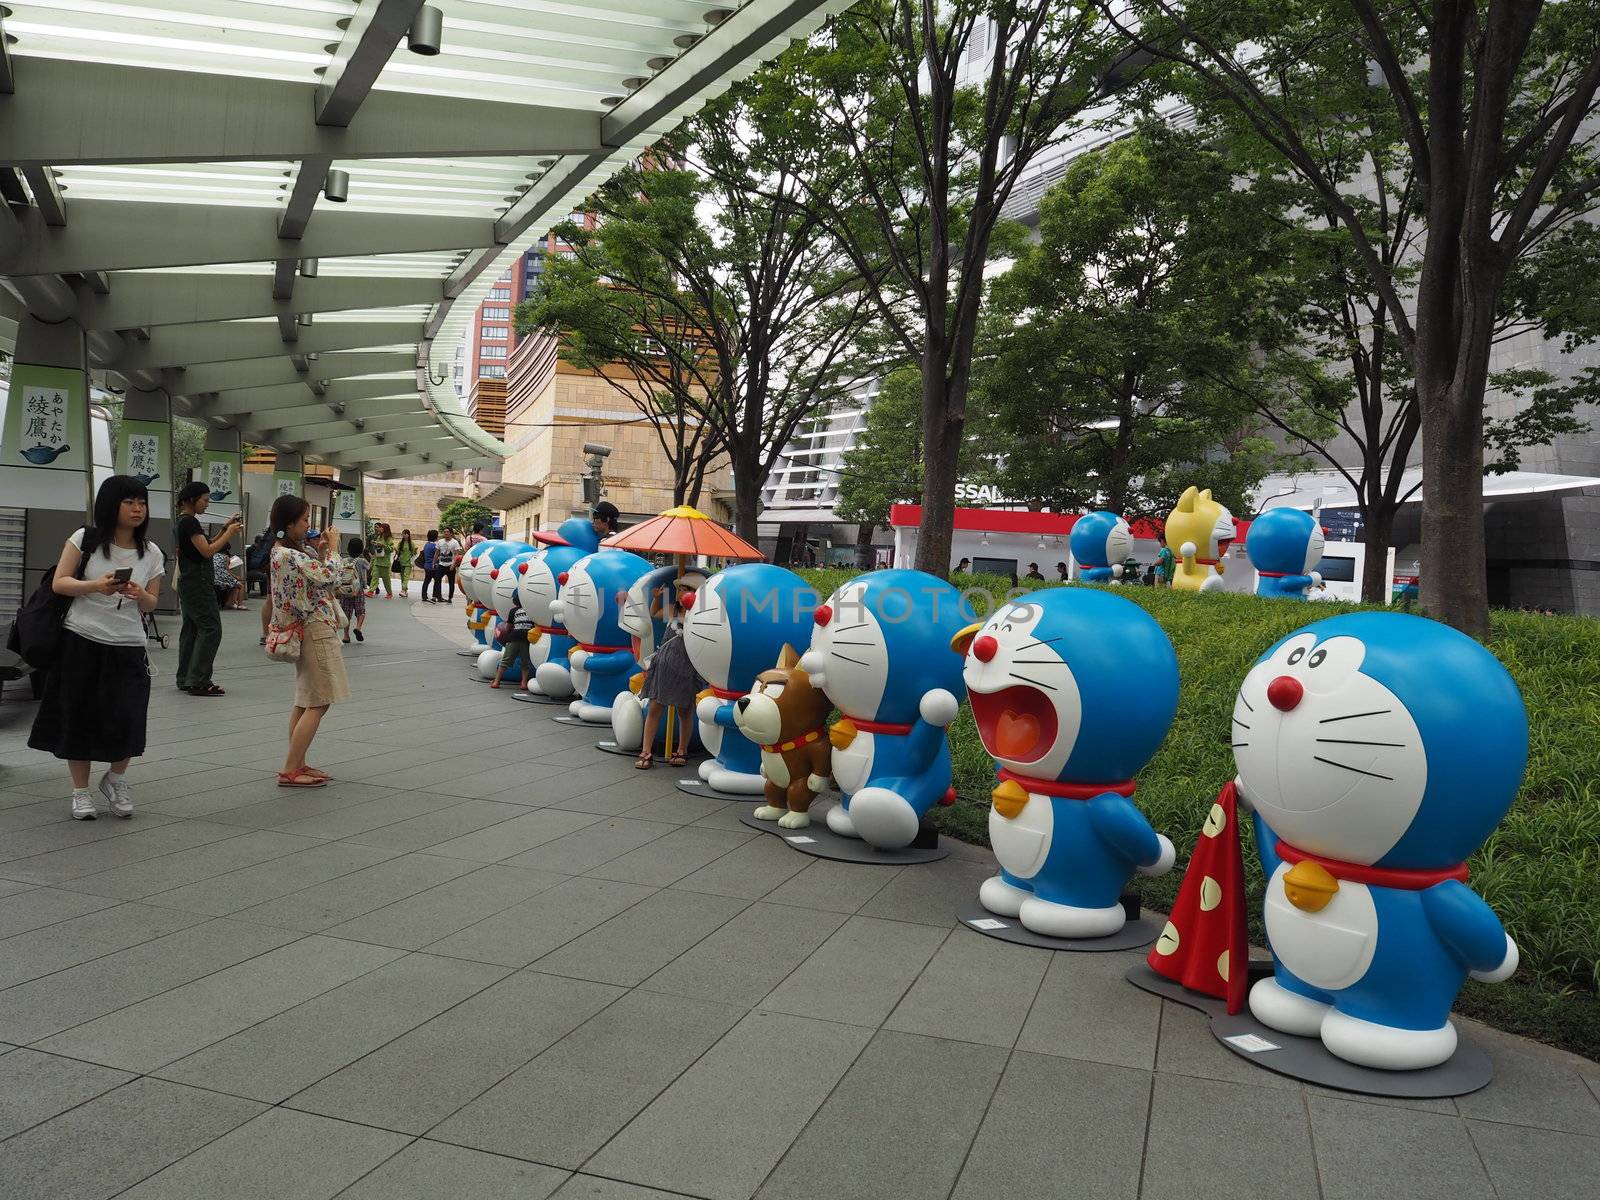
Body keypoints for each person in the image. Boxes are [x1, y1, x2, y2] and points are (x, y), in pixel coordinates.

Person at [29, 475, 165, 820]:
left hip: (129, 645)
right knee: (79, 717)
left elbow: (151, 604)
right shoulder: (84, 539)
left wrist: (140, 594)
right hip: (81, 640)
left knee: (129, 718)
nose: (138, 509)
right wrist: (96, 586)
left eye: (142, 502)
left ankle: (116, 779)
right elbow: (61, 583)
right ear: (110, 505)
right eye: (129, 502)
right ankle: (80, 792)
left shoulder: (151, 552)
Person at [269, 494, 350, 788]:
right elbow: (332, 579)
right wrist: (334, 551)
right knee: (319, 701)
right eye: (304, 520)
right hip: (315, 628)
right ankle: (291, 769)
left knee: (305, 701)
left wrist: (321, 551)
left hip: (303, 628)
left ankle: (297, 761)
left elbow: (312, 580)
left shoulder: (280, 552)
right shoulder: (292, 555)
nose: (308, 525)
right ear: (289, 524)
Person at [174, 480, 241, 697]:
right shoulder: (190, 523)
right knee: (211, 628)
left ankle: (186, 677)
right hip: (199, 583)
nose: (207, 504)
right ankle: (200, 680)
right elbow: (207, 551)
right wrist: (230, 534)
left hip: (189, 582)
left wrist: (223, 529)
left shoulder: (183, 522)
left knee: (192, 629)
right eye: (205, 500)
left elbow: (205, 544)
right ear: (192, 500)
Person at [636, 617, 700, 769]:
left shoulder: (698, 614)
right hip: (664, 668)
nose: (682, 594)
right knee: (654, 708)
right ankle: (646, 751)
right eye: (680, 590)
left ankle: (682, 750)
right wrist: (657, 598)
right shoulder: (673, 610)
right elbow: (654, 612)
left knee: (684, 711)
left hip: (686, 669)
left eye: (686, 590)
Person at [489, 597, 535, 690]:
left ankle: (496, 681)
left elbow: (507, 627)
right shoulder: (531, 611)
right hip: (526, 639)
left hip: (514, 638)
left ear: (515, 602)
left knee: (505, 660)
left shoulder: (513, 611)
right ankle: (524, 683)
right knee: (525, 662)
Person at [340, 536, 370, 644]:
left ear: (348, 549)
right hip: (358, 590)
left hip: (346, 590)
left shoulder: (343, 560)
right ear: (361, 549)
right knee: (360, 611)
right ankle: (358, 627)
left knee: (346, 613)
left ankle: (346, 636)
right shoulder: (362, 561)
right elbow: (369, 567)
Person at [368, 522, 395, 599]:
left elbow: (391, 549)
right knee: (374, 576)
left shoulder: (389, 538)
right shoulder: (379, 537)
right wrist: (375, 543)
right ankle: (371, 591)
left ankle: (389, 593)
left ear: (385, 529)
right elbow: (377, 547)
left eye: (381, 527)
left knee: (386, 579)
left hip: (385, 562)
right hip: (377, 561)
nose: (380, 528)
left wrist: (384, 546)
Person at [436, 527, 463, 602]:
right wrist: (434, 562)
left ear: (451, 533)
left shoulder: (455, 542)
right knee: (437, 580)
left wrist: (453, 565)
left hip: (450, 565)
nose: (446, 533)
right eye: (444, 532)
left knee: (451, 583)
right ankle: (439, 596)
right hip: (441, 564)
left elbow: (457, 555)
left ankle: (450, 598)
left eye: (447, 532)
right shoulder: (440, 541)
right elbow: (437, 552)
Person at [245, 531, 271, 596]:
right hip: (250, 570)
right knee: (264, 576)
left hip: (258, 569)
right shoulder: (250, 550)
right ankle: (264, 594)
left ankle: (268, 593)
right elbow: (249, 563)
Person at [419, 529, 440, 602]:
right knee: (437, 581)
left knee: (426, 581)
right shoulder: (435, 546)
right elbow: (438, 556)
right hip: (433, 566)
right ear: (435, 537)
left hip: (426, 566)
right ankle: (435, 596)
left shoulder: (426, 545)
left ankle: (424, 596)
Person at [395, 529, 416, 599]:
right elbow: (398, 552)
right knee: (402, 577)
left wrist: (415, 551)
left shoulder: (412, 543)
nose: (404, 535)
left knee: (406, 576)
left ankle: (403, 590)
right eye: (403, 534)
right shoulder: (400, 543)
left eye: (406, 534)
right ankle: (405, 591)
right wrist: (396, 550)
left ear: (408, 535)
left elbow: (414, 553)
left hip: (408, 563)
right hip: (401, 562)